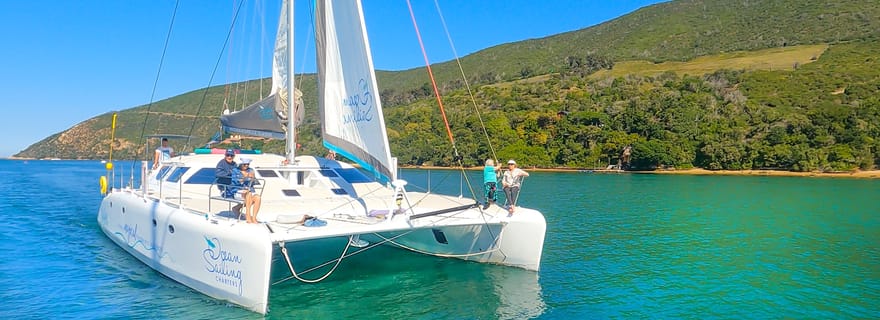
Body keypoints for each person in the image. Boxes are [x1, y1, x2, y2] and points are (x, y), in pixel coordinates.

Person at [232, 158, 262, 223]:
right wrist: (244, 178)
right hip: (238, 190)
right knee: (248, 194)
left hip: (249, 190)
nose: (246, 166)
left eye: (247, 164)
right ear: (241, 164)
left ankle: (254, 217)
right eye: (244, 164)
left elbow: (254, 183)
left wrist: (253, 178)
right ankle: (248, 216)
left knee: (258, 197)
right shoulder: (235, 171)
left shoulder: (251, 170)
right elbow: (234, 182)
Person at [215, 149, 243, 215]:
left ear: (234, 156)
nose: (229, 157)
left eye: (231, 155)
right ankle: (236, 209)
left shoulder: (234, 164)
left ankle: (238, 209)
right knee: (244, 196)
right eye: (228, 155)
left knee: (249, 195)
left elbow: (238, 173)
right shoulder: (221, 163)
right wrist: (229, 173)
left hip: (234, 186)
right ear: (225, 155)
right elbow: (218, 174)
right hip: (225, 188)